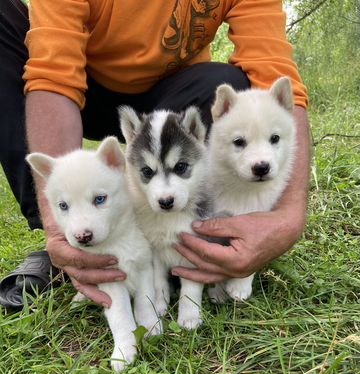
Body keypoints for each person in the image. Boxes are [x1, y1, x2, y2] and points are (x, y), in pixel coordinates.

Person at [0, 0, 310, 310]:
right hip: (84, 81)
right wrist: (58, 228)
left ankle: (193, 231)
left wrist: (286, 217)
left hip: (174, 94)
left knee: (222, 82)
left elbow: (275, 78)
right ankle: (71, 241)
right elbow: (53, 76)